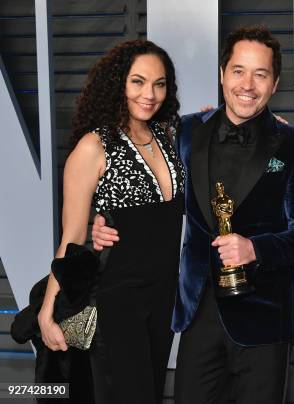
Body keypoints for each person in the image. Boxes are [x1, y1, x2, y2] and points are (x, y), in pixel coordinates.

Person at [92, 26, 294, 404]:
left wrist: (256, 249)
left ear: (275, 83)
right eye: (238, 71)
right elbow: (151, 193)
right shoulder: (183, 132)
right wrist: (109, 223)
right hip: (198, 315)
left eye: (260, 74)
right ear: (221, 74)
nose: (247, 84)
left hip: (264, 319)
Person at [37, 40, 185, 404]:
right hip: (117, 301)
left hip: (163, 299)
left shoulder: (168, 136)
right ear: (118, 83)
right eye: (138, 81)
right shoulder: (94, 147)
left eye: (159, 83)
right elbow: (71, 238)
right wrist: (47, 310)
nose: (149, 94)